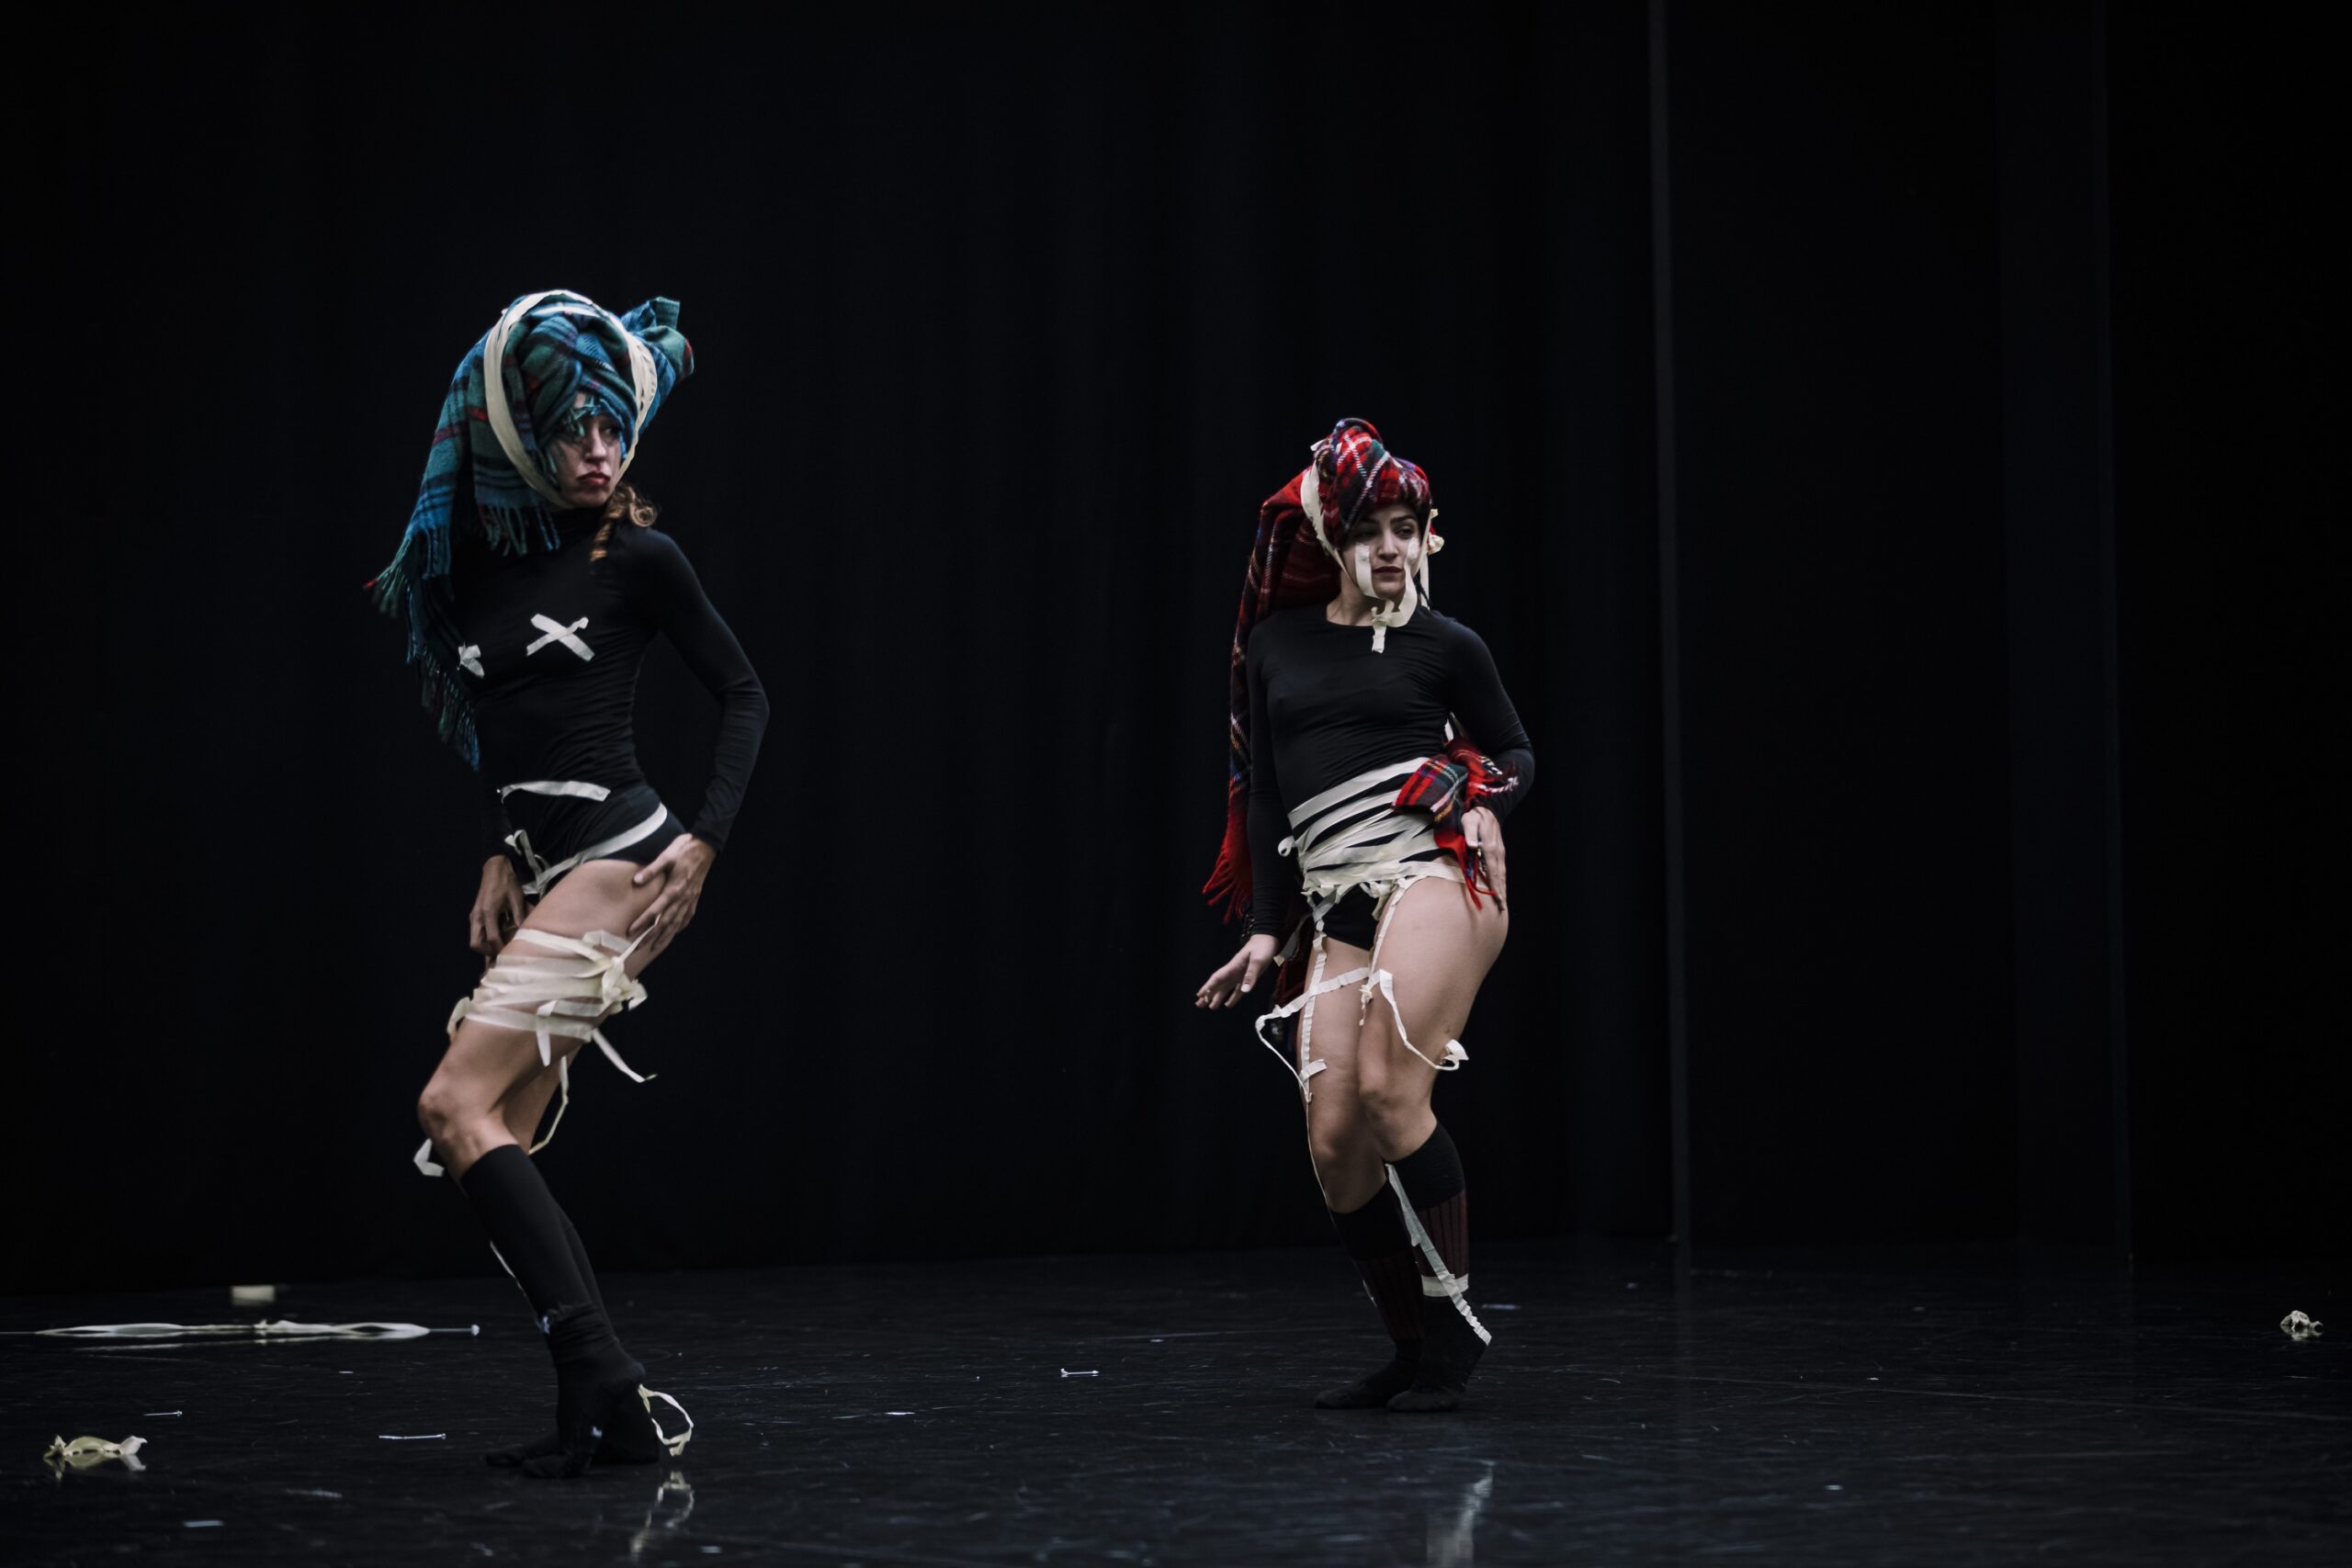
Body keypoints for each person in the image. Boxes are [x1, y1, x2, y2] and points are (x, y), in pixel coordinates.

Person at [370, 289, 768, 1476]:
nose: (600, 452)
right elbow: (510, 729)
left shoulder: (634, 556)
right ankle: (609, 1410)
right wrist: (500, 847)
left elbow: (745, 693)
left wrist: (706, 839)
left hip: (623, 856)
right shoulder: (474, 568)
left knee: (451, 1104)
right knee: (496, 1134)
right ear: (524, 440)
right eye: (575, 431)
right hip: (549, 864)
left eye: (613, 430)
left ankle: (603, 1380)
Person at [1198, 418, 1533, 1413]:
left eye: (1405, 528)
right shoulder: (1276, 645)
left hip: (1437, 871)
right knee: (1336, 1141)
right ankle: (1413, 1346)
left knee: (1391, 1090)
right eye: (1368, 529)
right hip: (1333, 894)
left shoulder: (1447, 644)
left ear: (1426, 536)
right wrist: (1265, 928)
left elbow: (1516, 752)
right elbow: (1266, 796)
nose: (1390, 547)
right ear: (1333, 539)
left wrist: (1480, 793)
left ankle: (1454, 1325)